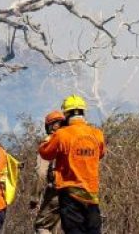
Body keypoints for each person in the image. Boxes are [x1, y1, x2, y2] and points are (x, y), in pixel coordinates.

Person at [38, 95, 106, 234]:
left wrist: (50, 137)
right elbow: (100, 154)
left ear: (66, 114)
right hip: (92, 195)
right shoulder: (97, 134)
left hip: (70, 194)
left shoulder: (62, 134)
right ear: (83, 112)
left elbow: (45, 153)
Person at [32, 110, 66, 234]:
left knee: (42, 225)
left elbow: (40, 173)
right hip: (80, 191)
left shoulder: (48, 143)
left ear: (49, 126)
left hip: (57, 192)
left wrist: (35, 197)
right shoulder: (72, 141)